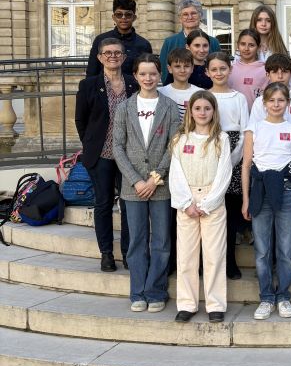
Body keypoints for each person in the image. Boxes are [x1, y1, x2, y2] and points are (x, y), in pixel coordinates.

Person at [112, 53, 181, 312]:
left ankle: (156, 290)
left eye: (153, 73)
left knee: (161, 240)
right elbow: (118, 147)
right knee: (137, 240)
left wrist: (154, 178)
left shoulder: (170, 106)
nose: (148, 78)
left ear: (160, 74)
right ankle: (137, 291)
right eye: (143, 74)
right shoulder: (124, 108)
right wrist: (136, 180)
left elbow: (173, 145)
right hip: (133, 188)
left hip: (160, 186)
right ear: (136, 76)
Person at [241, 82, 291, 320]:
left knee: (286, 248)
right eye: (272, 100)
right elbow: (246, 165)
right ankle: (266, 296)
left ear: (287, 103)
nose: (276, 105)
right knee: (262, 249)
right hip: (260, 190)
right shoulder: (254, 128)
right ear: (264, 103)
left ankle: (283, 296)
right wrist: (246, 199)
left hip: (288, 191)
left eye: (281, 100)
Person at [168, 91, 232, 324]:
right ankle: (187, 303)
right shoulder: (180, 139)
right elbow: (175, 173)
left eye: (207, 108)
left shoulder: (221, 139)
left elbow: (225, 173)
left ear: (213, 111)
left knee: (214, 255)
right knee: (186, 256)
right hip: (187, 201)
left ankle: (215, 304)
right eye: (198, 109)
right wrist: (186, 203)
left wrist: (208, 204)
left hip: (212, 202)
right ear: (191, 111)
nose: (202, 113)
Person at [75, 38, 138, 272]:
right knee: (102, 204)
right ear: (100, 57)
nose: (113, 56)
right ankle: (106, 254)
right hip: (100, 155)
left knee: (128, 204)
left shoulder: (134, 84)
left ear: (123, 57)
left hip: (128, 155)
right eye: (107, 53)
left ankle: (129, 253)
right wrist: (91, 144)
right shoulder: (88, 85)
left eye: (117, 53)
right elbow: (80, 120)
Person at [205, 51, 250, 280]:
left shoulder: (238, 97)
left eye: (223, 68)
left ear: (230, 70)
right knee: (211, 215)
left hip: (234, 156)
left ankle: (230, 262)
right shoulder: (205, 97)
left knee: (231, 215)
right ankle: (210, 263)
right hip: (211, 153)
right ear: (207, 72)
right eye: (214, 69)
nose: (219, 73)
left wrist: (231, 161)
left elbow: (244, 132)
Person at [86, 0, 152, 77]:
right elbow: (91, 72)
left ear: (134, 17)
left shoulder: (143, 44)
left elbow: (147, 73)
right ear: (113, 17)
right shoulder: (100, 40)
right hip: (103, 88)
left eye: (128, 15)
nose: (123, 18)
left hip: (133, 88)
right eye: (119, 14)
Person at [159, 0, 220, 84]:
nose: (190, 17)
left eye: (193, 13)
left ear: (200, 15)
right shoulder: (170, 42)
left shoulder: (213, 42)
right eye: (185, 14)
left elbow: (219, 65)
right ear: (180, 18)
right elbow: (164, 70)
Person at [229, 28, 268, 109]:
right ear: (237, 45)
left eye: (251, 45)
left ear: (259, 47)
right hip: (235, 116)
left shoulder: (265, 70)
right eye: (243, 44)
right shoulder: (230, 69)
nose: (246, 48)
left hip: (257, 117)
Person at [158, 48, 200, 121]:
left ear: (192, 68)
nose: (182, 70)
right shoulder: (160, 92)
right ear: (170, 68)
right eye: (177, 66)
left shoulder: (199, 93)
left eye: (186, 66)